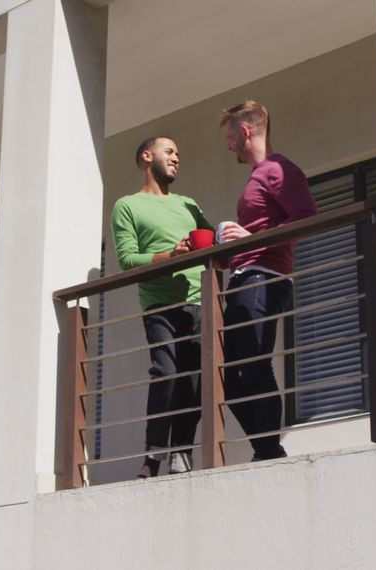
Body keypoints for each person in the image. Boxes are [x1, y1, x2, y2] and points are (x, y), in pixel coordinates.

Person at [217, 100, 317, 461]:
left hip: (264, 277)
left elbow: (306, 217)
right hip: (245, 276)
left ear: (245, 131)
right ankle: (267, 448)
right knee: (226, 376)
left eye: (230, 137)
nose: (229, 145)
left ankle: (269, 450)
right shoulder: (259, 174)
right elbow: (252, 234)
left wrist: (250, 241)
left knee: (255, 364)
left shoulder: (278, 168)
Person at [111, 136, 212, 478]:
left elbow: (212, 240)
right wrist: (171, 255)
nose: (176, 158)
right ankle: (153, 454)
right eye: (170, 151)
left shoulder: (188, 204)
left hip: (200, 299)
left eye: (178, 153)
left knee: (195, 381)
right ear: (146, 156)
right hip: (160, 303)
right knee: (166, 373)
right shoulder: (127, 205)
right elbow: (127, 260)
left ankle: (181, 452)